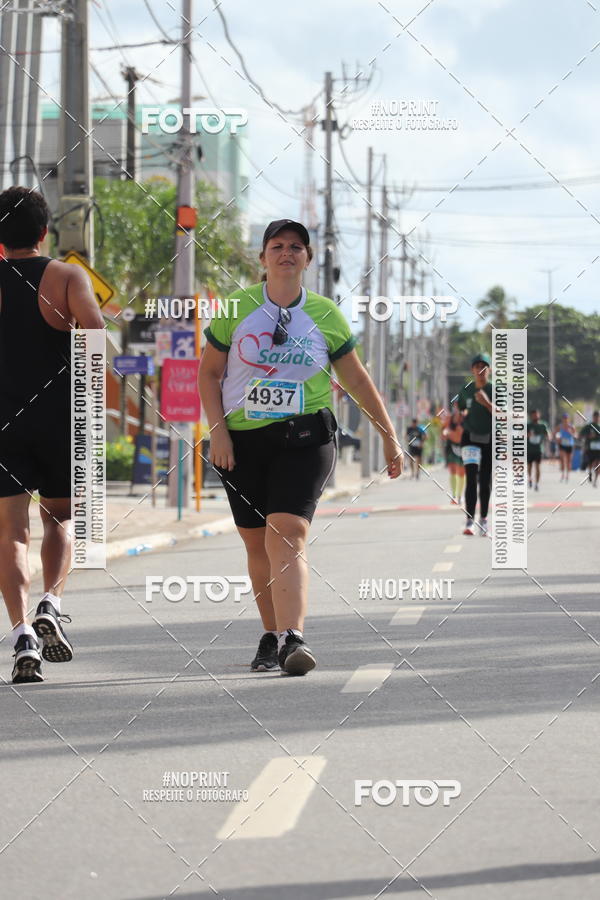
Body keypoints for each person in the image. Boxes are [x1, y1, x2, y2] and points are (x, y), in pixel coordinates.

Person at [198, 219, 403, 676]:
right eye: (277, 246)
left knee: (287, 530)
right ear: (263, 258)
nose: (286, 252)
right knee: (256, 543)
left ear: (308, 259)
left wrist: (388, 436)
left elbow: (356, 380)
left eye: (296, 246)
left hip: (305, 439)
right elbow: (208, 374)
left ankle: (293, 636)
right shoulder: (237, 307)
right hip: (242, 442)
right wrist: (219, 431)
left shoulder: (326, 313)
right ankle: (270, 635)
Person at [0, 186, 104, 683]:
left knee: (10, 532)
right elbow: (95, 340)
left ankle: (21, 633)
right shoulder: (66, 277)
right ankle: (51, 601)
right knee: (59, 520)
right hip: (61, 419)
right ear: (44, 232)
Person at [457, 353, 493, 536]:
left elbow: (504, 415)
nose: (480, 370)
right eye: (477, 366)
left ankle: (484, 520)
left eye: (484, 367)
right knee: (471, 477)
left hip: (489, 438)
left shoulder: (495, 390)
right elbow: (460, 406)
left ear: (490, 370)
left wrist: (487, 404)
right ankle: (469, 520)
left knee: (485, 480)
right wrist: (461, 413)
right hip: (470, 437)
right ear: (472, 370)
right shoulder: (466, 389)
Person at [442, 403, 465, 504]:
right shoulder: (449, 419)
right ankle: (454, 495)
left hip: (464, 447)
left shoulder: (466, 418)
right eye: (455, 405)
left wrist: (452, 433)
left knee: (462, 472)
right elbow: (444, 432)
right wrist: (446, 433)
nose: (456, 408)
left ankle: (460, 495)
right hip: (451, 447)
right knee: (452, 470)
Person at [527, 409, 549, 491]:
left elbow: (548, 434)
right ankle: (529, 479)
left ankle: (536, 483)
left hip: (539, 449)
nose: (535, 416)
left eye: (536, 415)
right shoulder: (528, 426)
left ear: (539, 415)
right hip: (529, 449)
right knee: (529, 466)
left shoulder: (543, 425)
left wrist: (548, 437)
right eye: (533, 415)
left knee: (538, 466)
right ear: (531, 416)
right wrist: (528, 435)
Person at [580, 410, 600, 487]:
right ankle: (590, 473)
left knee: (598, 464)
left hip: (598, 449)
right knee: (590, 463)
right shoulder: (589, 426)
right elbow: (581, 435)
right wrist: (588, 436)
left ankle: (595, 481)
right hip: (590, 448)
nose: (596, 418)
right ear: (593, 417)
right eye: (595, 417)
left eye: (598, 417)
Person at [554, 413, 576, 482]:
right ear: (562, 419)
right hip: (562, 444)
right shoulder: (559, 426)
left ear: (568, 419)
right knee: (563, 460)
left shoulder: (572, 426)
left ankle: (567, 475)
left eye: (566, 418)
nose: (565, 419)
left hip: (570, 445)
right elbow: (555, 434)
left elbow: (575, 436)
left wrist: (570, 432)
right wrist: (557, 438)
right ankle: (563, 474)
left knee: (569, 461)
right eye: (564, 418)